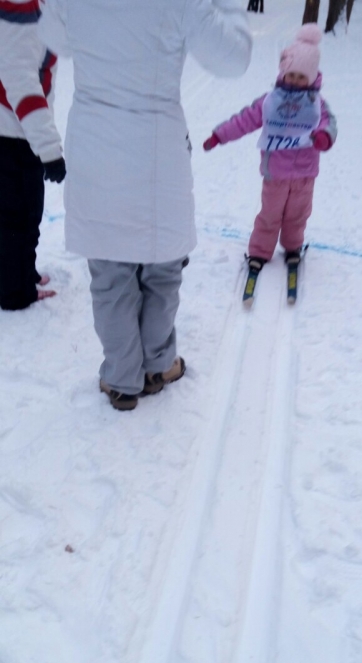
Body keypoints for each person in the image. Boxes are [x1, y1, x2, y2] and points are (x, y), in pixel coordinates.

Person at [38, 0, 252, 411]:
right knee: (161, 271)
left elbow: (52, 35)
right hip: (156, 153)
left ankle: (121, 377)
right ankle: (157, 364)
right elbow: (232, 58)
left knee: (110, 275)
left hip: (96, 151)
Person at [203, 24, 336, 274]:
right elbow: (244, 120)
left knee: (298, 214)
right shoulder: (270, 102)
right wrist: (219, 135)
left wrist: (324, 137)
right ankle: (260, 251)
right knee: (270, 214)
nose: (295, 80)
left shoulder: (317, 105)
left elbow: (329, 124)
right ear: (283, 72)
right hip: (275, 172)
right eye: (291, 74)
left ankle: (293, 247)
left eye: (302, 76)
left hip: (305, 174)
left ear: (311, 77)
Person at [0, 0, 66, 312]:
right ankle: (15, 291)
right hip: (14, 134)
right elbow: (22, 84)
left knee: (17, 215)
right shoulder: (18, 8)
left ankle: (19, 273)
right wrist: (49, 150)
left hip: (14, 130)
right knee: (20, 217)